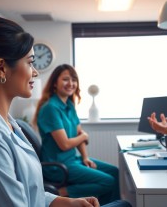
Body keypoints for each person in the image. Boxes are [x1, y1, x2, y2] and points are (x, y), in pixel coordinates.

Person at [0, 11, 131, 207]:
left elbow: (28, 193)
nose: (35, 72)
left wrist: (65, 202)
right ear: (1, 68)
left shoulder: (6, 123)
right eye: (30, 62)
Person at [33, 64, 121, 205]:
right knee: (108, 181)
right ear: (55, 83)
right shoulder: (51, 108)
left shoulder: (69, 105)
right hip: (57, 166)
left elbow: (79, 133)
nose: (71, 83)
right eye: (66, 79)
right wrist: (84, 136)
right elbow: (65, 144)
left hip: (73, 160)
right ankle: (63, 193)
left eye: (74, 80)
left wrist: (85, 157)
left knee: (115, 172)